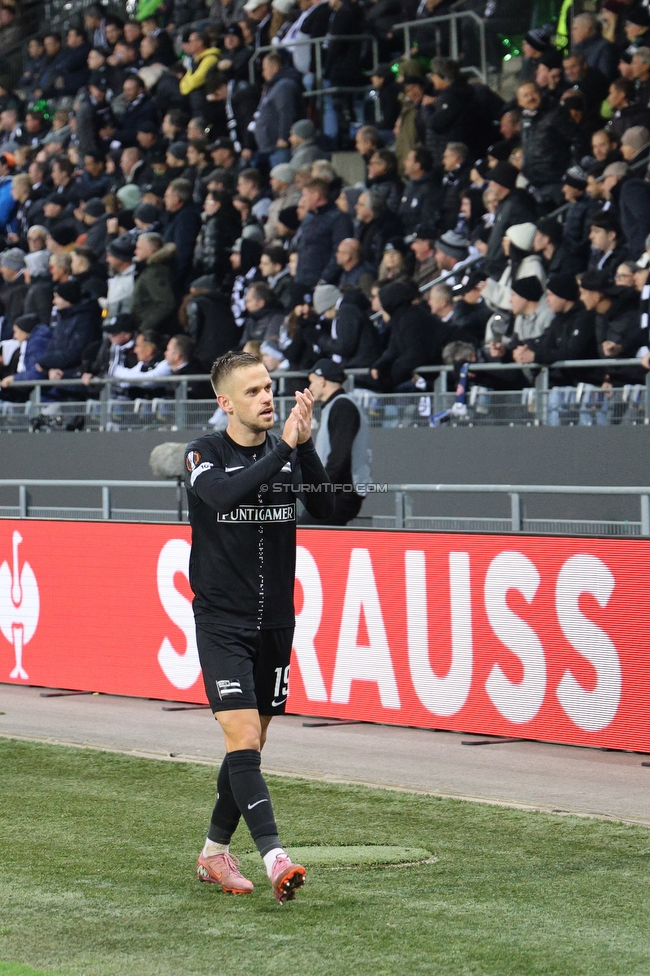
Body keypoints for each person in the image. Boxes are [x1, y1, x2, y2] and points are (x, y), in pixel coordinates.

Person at [184, 350, 332, 902]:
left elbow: (332, 511)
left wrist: (306, 444)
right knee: (243, 735)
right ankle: (275, 858)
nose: (267, 397)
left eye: (269, 387)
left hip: (276, 623)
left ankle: (212, 853)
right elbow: (223, 496)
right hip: (222, 620)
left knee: (251, 741)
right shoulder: (204, 453)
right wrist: (285, 453)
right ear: (225, 402)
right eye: (252, 391)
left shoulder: (285, 450)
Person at [303, 357, 371, 525]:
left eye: (312, 382)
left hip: (341, 492)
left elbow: (339, 455)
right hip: (336, 491)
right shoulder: (337, 405)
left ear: (322, 380)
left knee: (305, 532)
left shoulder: (342, 406)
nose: (310, 387)